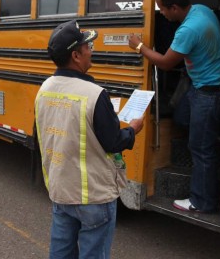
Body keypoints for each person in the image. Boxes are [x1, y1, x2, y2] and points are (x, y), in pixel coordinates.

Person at [35, 20, 144, 259]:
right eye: (87, 46)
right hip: (93, 196)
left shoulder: (45, 89)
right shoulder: (95, 94)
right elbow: (114, 142)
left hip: (61, 189)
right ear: (76, 55)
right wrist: (134, 128)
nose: (90, 50)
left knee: (61, 253)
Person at [128, 0, 220, 213]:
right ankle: (201, 137)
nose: (161, 13)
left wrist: (139, 46)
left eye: (162, 9)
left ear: (174, 7)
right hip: (203, 85)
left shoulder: (188, 30)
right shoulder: (201, 10)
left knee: (201, 149)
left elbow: (164, 63)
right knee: (181, 117)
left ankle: (201, 201)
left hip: (208, 93)